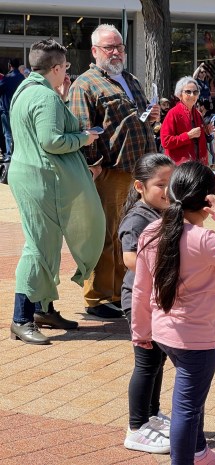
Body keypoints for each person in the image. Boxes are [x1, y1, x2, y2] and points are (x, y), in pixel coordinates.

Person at [131, 161, 215, 465]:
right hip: (198, 340)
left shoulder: (152, 230)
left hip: (164, 334)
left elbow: (140, 287)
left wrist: (140, 332)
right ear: (207, 201)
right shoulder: (203, 239)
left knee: (192, 400)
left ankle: (199, 451)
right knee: (187, 407)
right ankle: (186, 458)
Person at [8, 39, 105, 345]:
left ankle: (42, 310)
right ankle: (21, 318)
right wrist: (83, 138)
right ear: (56, 67)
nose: (67, 72)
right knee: (38, 248)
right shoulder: (45, 97)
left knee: (46, 246)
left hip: (31, 176)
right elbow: (51, 141)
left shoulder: (24, 91)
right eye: (65, 67)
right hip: (40, 180)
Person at [68, 24, 160, 319]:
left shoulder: (130, 79)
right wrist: (93, 166)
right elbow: (82, 128)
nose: (116, 51)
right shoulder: (85, 84)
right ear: (95, 51)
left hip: (139, 170)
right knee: (104, 235)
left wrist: (152, 115)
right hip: (110, 171)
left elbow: (140, 115)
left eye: (119, 46)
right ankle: (97, 297)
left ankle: (121, 291)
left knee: (128, 234)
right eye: (109, 47)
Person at [118, 153, 176, 453]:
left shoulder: (165, 211)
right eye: (160, 184)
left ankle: (152, 416)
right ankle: (136, 426)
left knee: (158, 360)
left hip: (158, 300)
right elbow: (129, 259)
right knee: (146, 363)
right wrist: (164, 267)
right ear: (140, 187)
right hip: (139, 302)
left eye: (172, 182)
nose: (167, 190)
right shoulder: (138, 217)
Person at [160, 76, 210, 166]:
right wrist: (188, 136)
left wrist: (207, 132)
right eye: (188, 92)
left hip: (197, 167)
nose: (192, 95)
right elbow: (165, 142)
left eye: (195, 92)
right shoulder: (173, 113)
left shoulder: (197, 114)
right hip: (180, 168)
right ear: (180, 95)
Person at [0, 58, 25, 162]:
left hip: (6, 109)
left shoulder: (7, 78)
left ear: (9, 65)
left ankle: (10, 155)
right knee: (19, 133)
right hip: (19, 109)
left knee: (8, 134)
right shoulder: (22, 78)